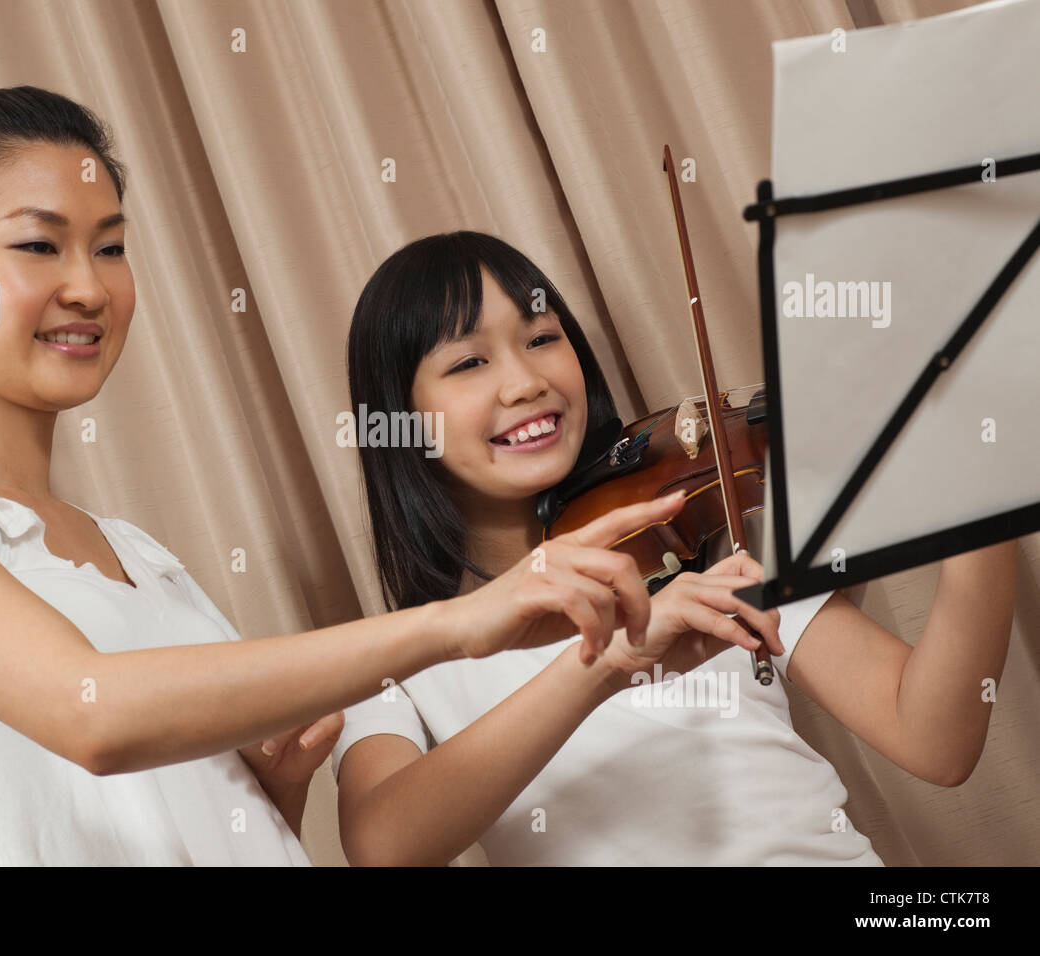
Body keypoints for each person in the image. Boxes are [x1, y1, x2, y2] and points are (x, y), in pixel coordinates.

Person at [0, 90, 683, 866]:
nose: (90, 287)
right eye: (38, 246)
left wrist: (280, 796)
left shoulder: (145, 560)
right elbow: (92, 716)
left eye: (111, 247)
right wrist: (453, 626)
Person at [333, 231, 1018, 866]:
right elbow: (383, 844)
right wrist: (605, 668)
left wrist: (980, 524)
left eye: (543, 337)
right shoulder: (402, 658)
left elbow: (936, 739)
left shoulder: (701, 535)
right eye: (471, 361)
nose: (525, 382)